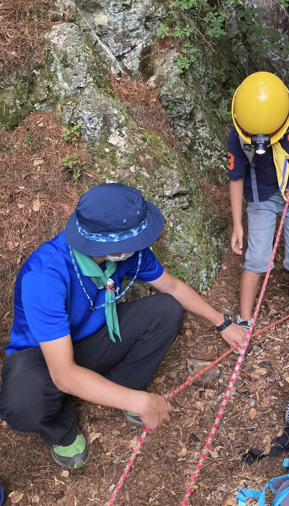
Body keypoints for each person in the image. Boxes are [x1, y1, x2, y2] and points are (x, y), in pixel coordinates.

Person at [0, 183, 248, 469]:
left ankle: (118, 388)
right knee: (22, 405)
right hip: (42, 358)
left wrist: (221, 322)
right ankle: (61, 429)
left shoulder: (131, 253)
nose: (143, 242)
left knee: (166, 309)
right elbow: (63, 373)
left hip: (94, 337)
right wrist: (141, 401)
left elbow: (173, 287)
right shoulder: (45, 277)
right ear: (109, 245)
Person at [227, 72, 289, 342]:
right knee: (256, 258)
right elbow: (236, 179)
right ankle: (244, 319)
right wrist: (237, 224)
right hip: (261, 198)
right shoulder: (239, 135)